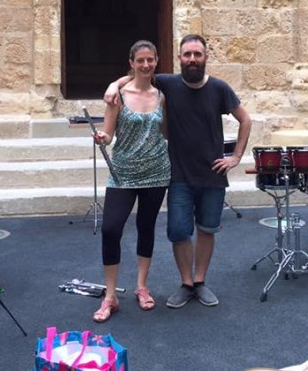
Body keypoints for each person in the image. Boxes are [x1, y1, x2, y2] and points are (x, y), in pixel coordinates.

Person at [104, 34, 251, 308]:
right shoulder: (168, 84)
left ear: (206, 57)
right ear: (179, 58)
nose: (192, 59)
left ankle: (200, 281)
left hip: (212, 174)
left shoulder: (220, 88)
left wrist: (236, 157)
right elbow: (139, 74)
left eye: (197, 54)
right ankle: (186, 283)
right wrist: (114, 84)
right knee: (179, 232)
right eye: (187, 54)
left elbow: (245, 119)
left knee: (206, 229)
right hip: (179, 175)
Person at [90, 40, 171, 323]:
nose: (146, 65)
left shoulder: (162, 96)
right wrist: (102, 138)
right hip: (122, 173)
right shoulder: (118, 96)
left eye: (150, 60)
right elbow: (109, 134)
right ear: (132, 63)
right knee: (111, 229)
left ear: (156, 61)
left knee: (146, 227)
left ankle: (141, 286)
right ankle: (110, 295)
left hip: (157, 172)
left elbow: (165, 132)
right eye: (140, 60)